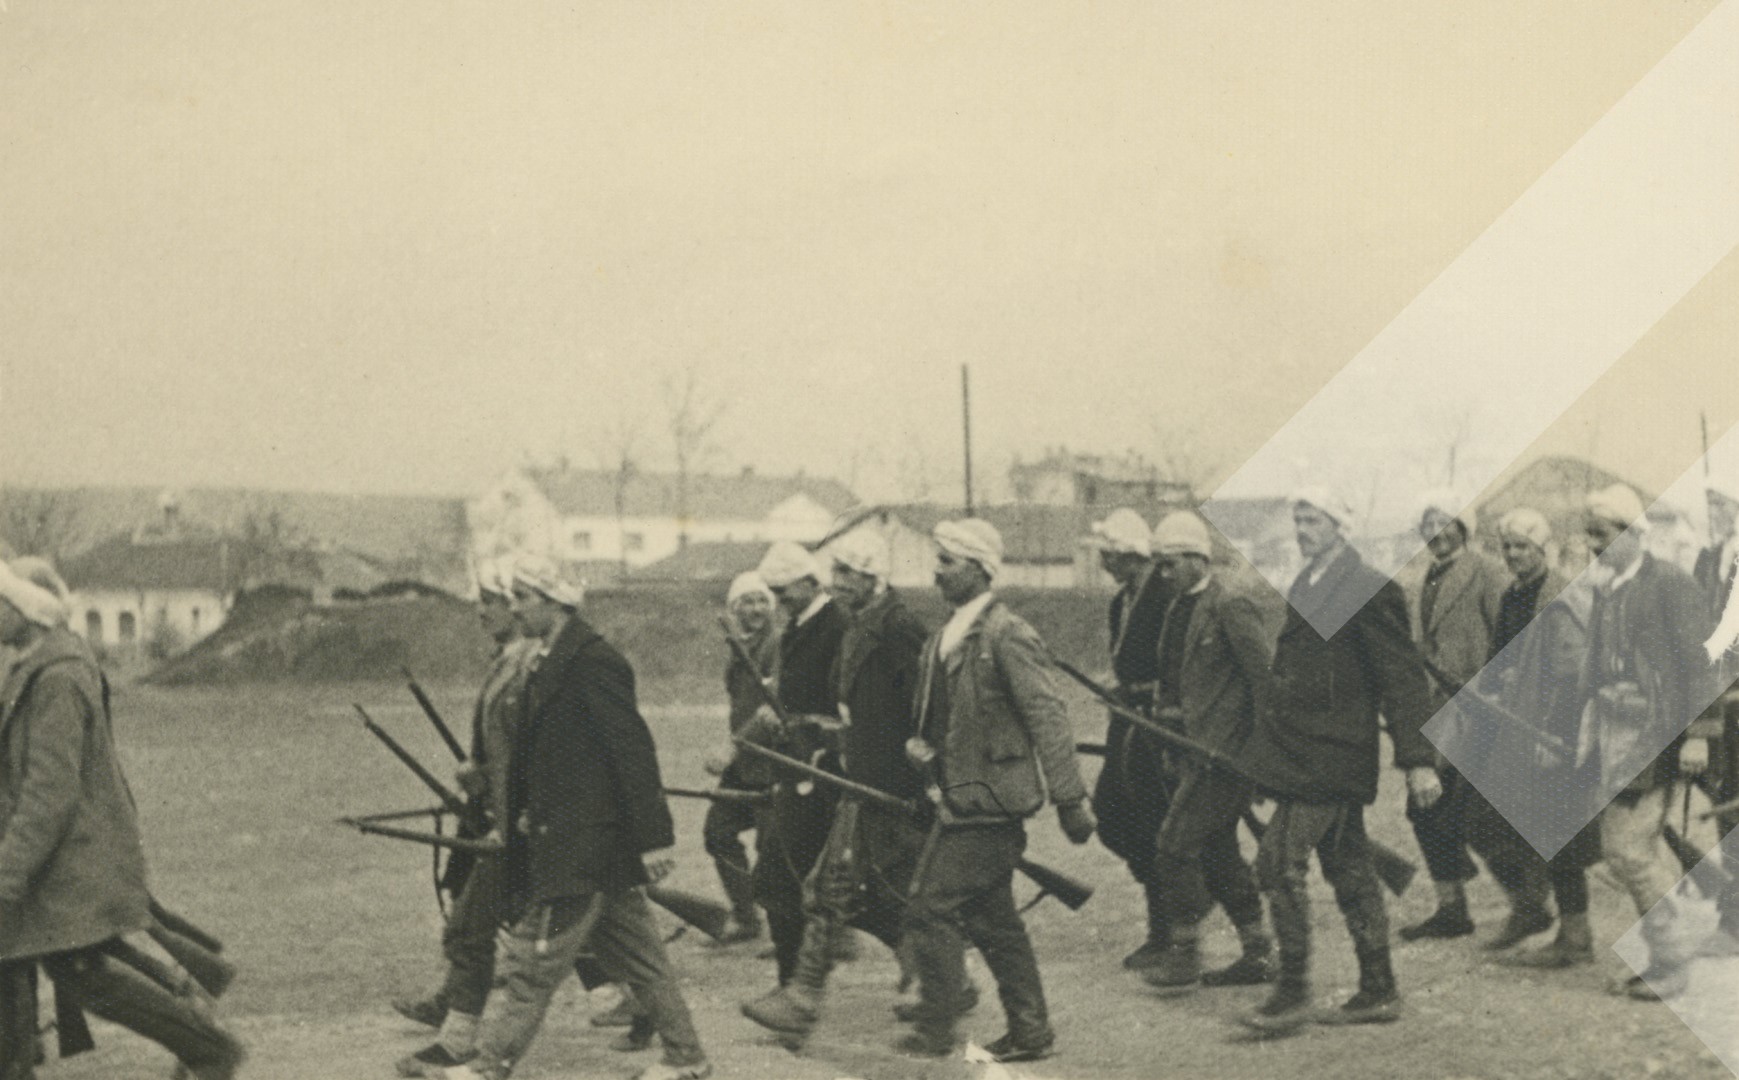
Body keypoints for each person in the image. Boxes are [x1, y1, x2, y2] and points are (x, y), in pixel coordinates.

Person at [443, 554, 710, 1080]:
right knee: (645, 962)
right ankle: (687, 1059)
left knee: (532, 963)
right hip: (582, 844)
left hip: (582, 847)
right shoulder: (547, 660)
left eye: (523, 598)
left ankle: (488, 1067)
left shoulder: (593, 661)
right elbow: (549, 756)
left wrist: (655, 839)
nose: (515, 609)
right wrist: (525, 810)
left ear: (556, 602)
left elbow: (632, 752)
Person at [0, 561, 246, 1080]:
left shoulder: (55, 678)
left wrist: (7, 875)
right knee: (48, 966)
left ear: (26, 610)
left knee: (83, 972)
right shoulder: (36, 669)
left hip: (70, 859)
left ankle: (209, 1049)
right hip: (61, 858)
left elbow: (49, 793)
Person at [394, 559, 640, 1075]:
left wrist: (502, 797)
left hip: (528, 825)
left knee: (476, 928)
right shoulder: (509, 662)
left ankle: (463, 1044)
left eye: (495, 602)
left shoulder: (537, 666)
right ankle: (639, 1008)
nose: (483, 612)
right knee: (597, 926)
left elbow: (544, 752)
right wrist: (481, 777)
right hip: (511, 819)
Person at [1238, 488, 1436, 1034]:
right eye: (1298, 519)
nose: (1301, 529)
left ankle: (1292, 994)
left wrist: (1418, 760)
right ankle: (1379, 989)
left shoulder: (1370, 588)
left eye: (1313, 520)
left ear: (1340, 525)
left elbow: (1402, 680)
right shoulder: (1307, 583)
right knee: (1349, 867)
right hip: (1301, 753)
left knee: (1278, 863)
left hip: (1333, 756)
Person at [899, 518, 1095, 1064]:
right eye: (938, 560)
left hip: (990, 805)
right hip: (957, 799)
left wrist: (1070, 799)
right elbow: (943, 720)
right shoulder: (944, 637)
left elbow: (1048, 716)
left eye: (948, 562)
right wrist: (922, 750)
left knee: (929, 906)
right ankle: (1030, 1031)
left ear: (981, 569)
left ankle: (937, 1026)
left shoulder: (1006, 634)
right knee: (993, 921)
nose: (936, 572)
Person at [740, 529, 930, 1047]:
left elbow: (921, 707)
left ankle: (931, 985)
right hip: (854, 777)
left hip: (886, 784)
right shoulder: (861, 624)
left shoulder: (896, 627)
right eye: (837, 571)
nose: (837, 581)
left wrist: (914, 769)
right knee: (837, 889)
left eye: (848, 573)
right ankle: (804, 998)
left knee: (865, 890)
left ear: (872, 576)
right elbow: (853, 707)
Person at [1574, 484, 1718, 1002]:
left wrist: (1698, 736)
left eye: (1601, 534)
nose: (1593, 545)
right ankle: (1670, 946)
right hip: (1612, 738)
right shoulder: (1608, 588)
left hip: (1656, 739)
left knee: (1629, 852)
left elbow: (1703, 666)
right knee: (1627, 851)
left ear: (1632, 532)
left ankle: (1672, 961)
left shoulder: (1671, 584)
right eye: (1589, 535)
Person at [1138, 511, 1276, 993]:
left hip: (1226, 757)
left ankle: (1185, 954)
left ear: (1199, 558)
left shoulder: (1230, 604)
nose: (1163, 573)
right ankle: (1258, 951)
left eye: (1171, 563)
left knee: (1173, 845)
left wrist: (1262, 757)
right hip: (1188, 753)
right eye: (1159, 564)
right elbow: (1174, 682)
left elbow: (1264, 683)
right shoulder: (1176, 608)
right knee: (1219, 850)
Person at [1475, 510, 1602, 969]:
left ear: (1543, 549)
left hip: (1553, 731)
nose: (1513, 555)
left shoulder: (1559, 597)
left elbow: (1571, 675)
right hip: (1517, 723)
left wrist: (1554, 735)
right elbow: (1502, 656)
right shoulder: (1513, 594)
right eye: (1507, 547)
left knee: (1559, 833)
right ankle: (1530, 908)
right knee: (1493, 819)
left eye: (1522, 547)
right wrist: (1495, 684)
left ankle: (1575, 937)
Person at [1398, 491, 1516, 943]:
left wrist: (1496, 692)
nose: (1435, 533)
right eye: (1427, 525)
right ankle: (1452, 908)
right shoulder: (1420, 580)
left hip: (1478, 709)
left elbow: (1511, 636)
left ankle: (1529, 903)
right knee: (1424, 807)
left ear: (1463, 527)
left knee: (1479, 813)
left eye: (1443, 523)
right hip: (1435, 712)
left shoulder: (1488, 572)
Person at [735, 541, 848, 994]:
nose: (778, 602)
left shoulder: (837, 625)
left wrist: (813, 728)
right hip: (797, 770)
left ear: (809, 581)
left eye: (783, 592)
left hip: (825, 773)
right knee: (779, 879)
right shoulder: (799, 626)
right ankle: (791, 985)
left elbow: (846, 701)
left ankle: (796, 988)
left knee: (788, 880)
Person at [1081, 508, 1177, 970]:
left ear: (1130, 553)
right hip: (1126, 722)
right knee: (1111, 814)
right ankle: (1169, 905)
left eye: (1110, 553)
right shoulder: (1120, 602)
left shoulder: (1166, 596)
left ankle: (1167, 930)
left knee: (1156, 822)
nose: (1103, 562)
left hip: (1160, 725)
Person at [701, 571, 780, 945]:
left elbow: (772, 708)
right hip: (745, 764)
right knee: (718, 832)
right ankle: (747, 917)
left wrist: (732, 748)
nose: (756, 609)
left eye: (762, 600)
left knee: (774, 850)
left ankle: (794, 934)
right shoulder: (740, 649)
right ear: (734, 609)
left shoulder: (776, 645)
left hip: (773, 763)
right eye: (747, 602)